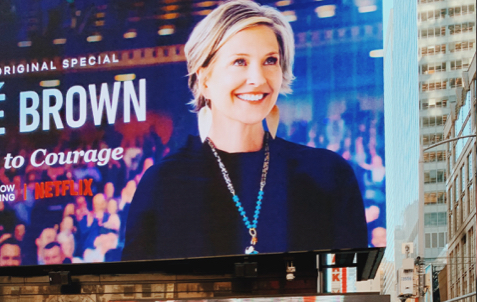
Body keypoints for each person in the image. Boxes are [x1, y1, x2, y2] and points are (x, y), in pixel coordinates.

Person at [123, 0, 367, 261]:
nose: (258, 78)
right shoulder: (163, 183)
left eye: (270, 61)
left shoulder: (327, 173)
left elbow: (357, 287)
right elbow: (135, 297)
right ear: (204, 78)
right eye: (240, 61)